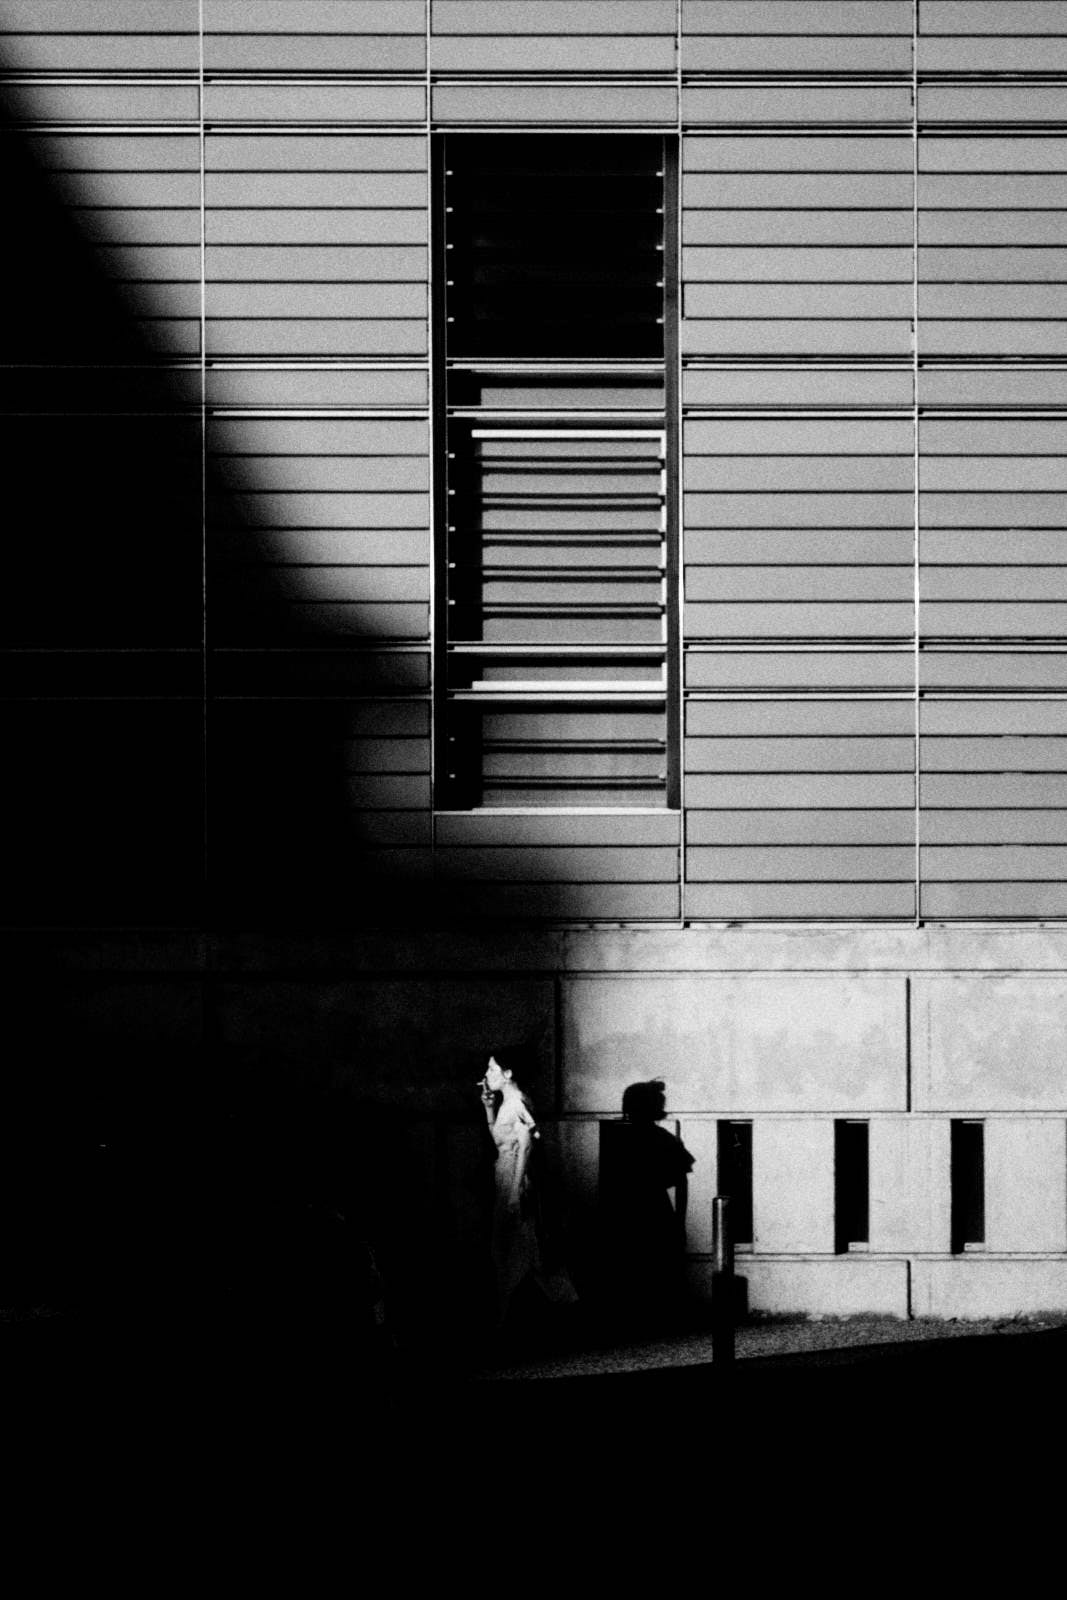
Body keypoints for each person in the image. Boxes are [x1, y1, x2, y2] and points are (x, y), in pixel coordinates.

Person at [598, 1078, 695, 1331]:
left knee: (629, 1265)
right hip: (653, 1208)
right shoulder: (663, 1139)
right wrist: (679, 1221)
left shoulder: (616, 1138)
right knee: (655, 1266)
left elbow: (606, 1181)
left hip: (624, 1208)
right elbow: (681, 1183)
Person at [478, 1049, 542, 1333]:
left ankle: (507, 1317)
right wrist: (488, 1108)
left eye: (493, 1069)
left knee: (513, 1248)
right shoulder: (507, 1102)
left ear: (508, 1073)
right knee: (511, 1248)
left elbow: (525, 1146)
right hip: (506, 1175)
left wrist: (516, 1191)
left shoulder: (517, 1102)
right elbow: (500, 1141)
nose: (487, 1075)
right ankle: (508, 1314)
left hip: (515, 1176)